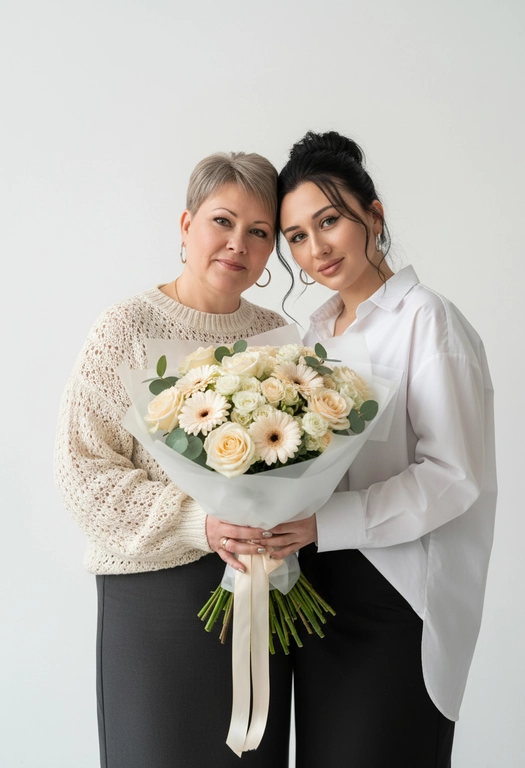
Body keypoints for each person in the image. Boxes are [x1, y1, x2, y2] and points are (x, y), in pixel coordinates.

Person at [258, 131, 497, 767]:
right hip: (317, 592)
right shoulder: (313, 332)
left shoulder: (428, 319)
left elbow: (453, 475)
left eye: (328, 221)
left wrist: (320, 522)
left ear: (374, 215)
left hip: (397, 600)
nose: (316, 249)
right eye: (297, 237)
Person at [54, 151, 292, 768]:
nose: (237, 243)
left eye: (258, 232)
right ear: (186, 225)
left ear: (270, 251)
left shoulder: (278, 336)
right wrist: (198, 522)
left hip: (259, 596)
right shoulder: (125, 329)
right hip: (151, 599)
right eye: (222, 221)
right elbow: (83, 474)